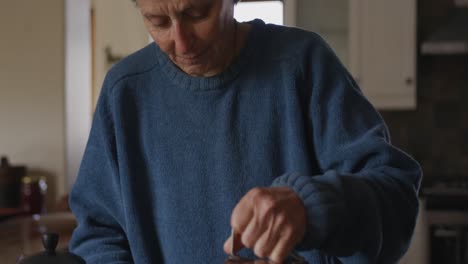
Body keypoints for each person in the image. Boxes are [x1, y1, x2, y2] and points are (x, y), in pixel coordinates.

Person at [69, 0, 422, 263]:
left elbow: (397, 199)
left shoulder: (303, 62)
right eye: (157, 21)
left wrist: (312, 206)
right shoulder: (125, 92)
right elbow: (99, 235)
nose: (182, 43)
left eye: (197, 14)